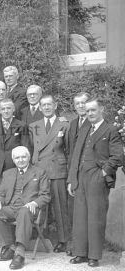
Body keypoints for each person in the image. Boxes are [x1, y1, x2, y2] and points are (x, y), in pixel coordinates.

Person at [68, 97, 123, 267]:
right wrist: (72, 179)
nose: (89, 113)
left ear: (101, 110)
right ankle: (80, 253)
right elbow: (76, 154)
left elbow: (117, 156)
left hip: (97, 177)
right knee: (80, 217)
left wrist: (103, 173)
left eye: (93, 110)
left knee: (95, 217)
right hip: (80, 177)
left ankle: (94, 256)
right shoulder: (85, 128)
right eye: (87, 110)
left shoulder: (110, 130)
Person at [0, 146, 50, 270]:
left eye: (23, 157)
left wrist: (35, 203)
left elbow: (46, 195)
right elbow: (1, 193)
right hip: (11, 207)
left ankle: (20, 254)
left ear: (29, 157)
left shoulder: (39, 172)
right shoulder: (8, 173)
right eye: (17, 158)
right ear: (13, 159)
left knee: (24, 211)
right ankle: (10, 247)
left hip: (29, 208)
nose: (20, 160)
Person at [29, 94, 70, 254]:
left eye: (49, 104)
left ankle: (63, 240)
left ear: (55, 105)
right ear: (39, 107)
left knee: (60, 208)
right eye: (43, 105)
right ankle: (40, 238)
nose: (46, 107)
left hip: (57, 171)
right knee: (39, 206)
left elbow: (68, 149)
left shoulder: (64, 124)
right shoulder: (34, 125)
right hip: (40, 171)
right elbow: (34, 149)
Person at [65, 91, 90, 257]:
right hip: (74, 174)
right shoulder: (73, 123)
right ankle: (76, 246)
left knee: (88, 213)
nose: (80, 106)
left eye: (83, 103)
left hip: (89, 174)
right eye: (77, 103)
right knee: (74, 212)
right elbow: (70, 151)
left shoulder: (95, 122)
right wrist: (70, 177)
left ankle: (88, 249)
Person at [0, 99, 29, 184]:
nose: (6, 111)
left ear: (13, 109)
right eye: (3, 109)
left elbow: (25, 148)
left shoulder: (22, 125)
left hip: (14, 166)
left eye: (8, 108)